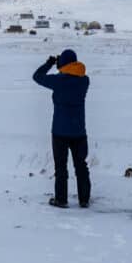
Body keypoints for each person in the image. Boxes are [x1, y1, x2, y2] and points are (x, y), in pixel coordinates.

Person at [33, 49, 91, 208]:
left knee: (61, 167)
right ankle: (84, 199)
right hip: (79, 131)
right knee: (81, 166)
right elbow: (73, 76)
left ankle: (61, 199)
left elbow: (37, 77)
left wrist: (49, 63)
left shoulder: (58, 81)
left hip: (59, 131)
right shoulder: (84, 81)